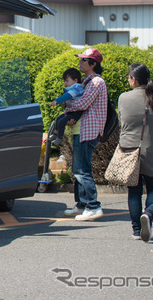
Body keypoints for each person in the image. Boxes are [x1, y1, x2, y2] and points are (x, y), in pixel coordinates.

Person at [118, 63, 153, 242]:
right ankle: (149, 213)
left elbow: (122, 122)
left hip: (130, 151)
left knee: (134, 191)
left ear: (133, 79)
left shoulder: (124, 98)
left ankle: (136, 230)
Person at [62, 48, 107, 221]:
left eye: (83, 60)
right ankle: (81, 204)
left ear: (93, 64)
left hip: (87, 130)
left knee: (82, 170)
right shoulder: (88, 82)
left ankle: (93, 206)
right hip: (82, 129)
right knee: (78, 169)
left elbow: (82, 102)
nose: (80, 63)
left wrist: (67, 102)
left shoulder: (96, 82)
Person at [49, 68, 84, 146]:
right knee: (58, 119)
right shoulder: (74, 87)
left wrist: (56, 101)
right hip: (70, 111)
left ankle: (60, 137)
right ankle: (56, 134)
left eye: (67, 81)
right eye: (64, 81)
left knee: (62, 121)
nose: (65, 83)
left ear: (75, 80)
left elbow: (67, 96)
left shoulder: (76, 88)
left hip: (75, 113)